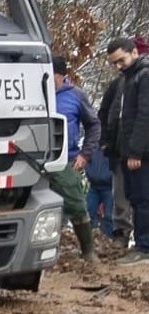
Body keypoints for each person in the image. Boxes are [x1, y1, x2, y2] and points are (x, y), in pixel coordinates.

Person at [103, 38, 149, 265]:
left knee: (142, 199)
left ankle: (144, 247)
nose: (118, 66)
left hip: (140, 153)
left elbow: (144, 117)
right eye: (114, 63)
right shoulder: (127, 79)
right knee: (134, 197)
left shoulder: (144, 76)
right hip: (125, 151)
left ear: (134, 52)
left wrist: (135, 152)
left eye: (121, 60)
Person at [51, 56, 98, 262]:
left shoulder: (75, 96)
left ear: (60, 75)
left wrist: (85, 153)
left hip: (66, 159)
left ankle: (88, 251)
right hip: (34, 159)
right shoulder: (31, 94)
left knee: (76, 204)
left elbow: (94, 126)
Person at [85, 145, 115, 238]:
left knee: (109, 216)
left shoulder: (112, 146)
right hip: (94, 186)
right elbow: (86, 158)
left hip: (109, 187)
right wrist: (89, 172)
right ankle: (89, 239)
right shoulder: (93, 145)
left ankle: (109, 239)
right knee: (88, 212)